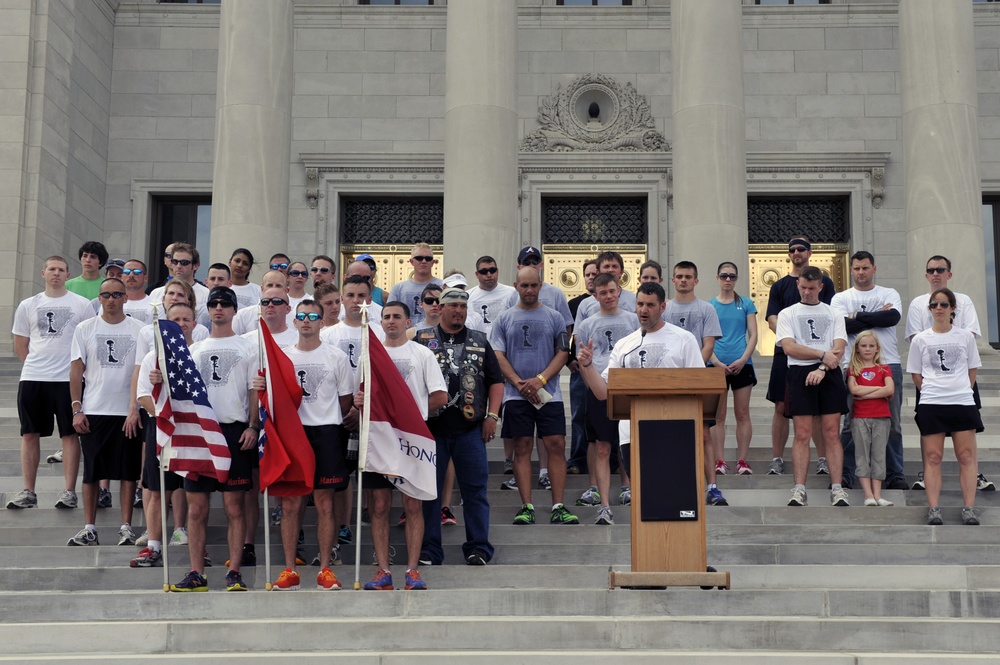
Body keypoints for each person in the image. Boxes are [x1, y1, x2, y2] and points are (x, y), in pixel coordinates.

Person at [256, 299, 354, 590]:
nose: (307, 320)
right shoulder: (281, 357)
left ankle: (325, 568)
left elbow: (345, 399)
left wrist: (327, 417)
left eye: (313, 316)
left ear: (322, 322)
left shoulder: (336, 357)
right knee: (290, 503)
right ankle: (289, 570)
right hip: (291, 434)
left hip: (326, 433)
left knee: (325, 502)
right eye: (302, 316)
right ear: (295, 321)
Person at [577, 282, 704, 483]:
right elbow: (603, 393)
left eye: (650, 305)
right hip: (632, 432)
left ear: (663, 307)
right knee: (642, 494)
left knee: (673, 492)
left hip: (674, 428)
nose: (643, 310)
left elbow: (701, 385)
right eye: (640, 304)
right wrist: (588, 365)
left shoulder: (684, 339)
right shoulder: (625, 344)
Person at [362, 302, 447, 591]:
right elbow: (361, 394)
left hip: (413, 438)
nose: (391, 321)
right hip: (381, 438)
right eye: (386, 317)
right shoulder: (370, 355)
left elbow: (440, 396)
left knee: (413, 505)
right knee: (381, 506)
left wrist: (409, 415)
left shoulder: (422, 353)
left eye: (397, 316)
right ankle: (383, 571)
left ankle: (412, 570)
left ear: (408, 321)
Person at [414, 287, 502, 565]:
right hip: (432, 429)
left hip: (470, 429)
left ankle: (478, 547)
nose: (458, 311)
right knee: (430, 492)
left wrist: (492, 416)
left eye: (463, 307)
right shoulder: (420, 339)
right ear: (440, 308)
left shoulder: (480, 340)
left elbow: (495, 381)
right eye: (453, 306)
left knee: (475, 491)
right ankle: (429, 549)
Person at [491, 267, 578, 526]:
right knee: (522, 447)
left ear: (541, 285)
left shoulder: (554, 317)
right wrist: (519, 384)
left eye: (533, 285)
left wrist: (540, 380)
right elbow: (497, 354)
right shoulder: (504, 318)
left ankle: (558, 506)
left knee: (556, 446)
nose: (529, 290)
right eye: (524, 285)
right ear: (516, 286)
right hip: (516, 396)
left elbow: (563, 352)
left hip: (548, 394)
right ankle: (526, 506)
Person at [6, 256, 93, 510]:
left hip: (68, 380)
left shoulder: (82, 304)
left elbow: (89, 342)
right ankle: (28, 492)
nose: (56, 273)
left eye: (61, 270)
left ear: (68, 275)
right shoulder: (28, 305)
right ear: (43, 273)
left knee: (70, 434)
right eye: (52, 269)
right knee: (30, 433)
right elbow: (21, 344)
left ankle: (69, 491)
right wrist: (38, 366)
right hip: (34, 378)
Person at [904, 255, 994, 493]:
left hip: (961, 376)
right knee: (929, 428)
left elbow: (970, 336)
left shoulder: (963, 301)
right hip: (930, 375)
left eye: (940, 269)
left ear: (949, 274)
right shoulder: (917, 303)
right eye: (931, 270)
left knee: (968, 429)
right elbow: (916, 339)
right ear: (926, 275)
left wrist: (961, 381)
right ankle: (927, 473)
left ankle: (974, 473)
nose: (935, 274)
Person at [67, 277, 145, 546]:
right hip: (95, 408)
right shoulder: (85, 328)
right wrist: (77, 407)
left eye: (117, 294)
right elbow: (76, 370)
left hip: (128, 411)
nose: (111, 299)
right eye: (106, 295)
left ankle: (126, 526)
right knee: (91, 471)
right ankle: (89, 527)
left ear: (126, 297)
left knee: (127, 472)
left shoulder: (140, 330)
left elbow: (141, 371)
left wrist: (134, 407)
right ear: (99, 299)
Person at [906, 288, 984, 526]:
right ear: (930, 310)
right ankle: (934, 508)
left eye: (943, 304)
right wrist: (933, 390)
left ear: (952, 309)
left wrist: (960, 389)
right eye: (933, 305)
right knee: (932, 457)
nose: (938, 309)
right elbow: (916, 375)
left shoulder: (965, 337)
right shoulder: (920, 339)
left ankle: (969, 508)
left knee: (966, 456)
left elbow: (972, 369)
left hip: (961, 402)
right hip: (932, 402)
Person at [831, 251, 907, 491]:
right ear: (851, 270)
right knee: (850, 422)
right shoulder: (840, 298)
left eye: (865, 268)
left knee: (892, 422)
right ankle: (846, 473)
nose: (861, 272)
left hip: (888, 363)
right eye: (856, 268)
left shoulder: (889, 293)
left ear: (874, 268)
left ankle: (894, 473)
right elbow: (842, 325)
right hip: (851, 365)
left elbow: (892, 317)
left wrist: (858, 317)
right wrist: (875, 316)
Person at [774, 266, 849, 508]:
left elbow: (839, 347)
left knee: (830, 433)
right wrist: (820, 354)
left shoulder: (833, 313)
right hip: (799, 373)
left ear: (820, 287)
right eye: (803, 288)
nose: (807, 292)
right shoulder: (787, 313)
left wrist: (822, 367)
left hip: (829, 373)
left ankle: (837, 489)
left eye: (811, 288)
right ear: (798, 286)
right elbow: (789, 347)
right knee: (802, 433)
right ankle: (799, 489)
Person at [320, 276, 386, 547]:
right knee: (341, 476)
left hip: (373, 415)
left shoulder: (380, 333)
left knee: (372, 475)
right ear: (341, 299)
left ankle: (371, 527)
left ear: (369, 299)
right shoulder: (327, 335)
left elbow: (385, 377)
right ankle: (342, 525)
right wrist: (347, 410)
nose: (356, 301)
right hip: (339, 415)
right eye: (350, 295)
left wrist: (364, 408)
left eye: (362, 295)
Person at [570, 273, 639, 525]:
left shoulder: (633, 320)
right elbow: (583, 358)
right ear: (595, 295)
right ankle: (604, 505)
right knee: (602, 446)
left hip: (628, 388)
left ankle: (628, 486)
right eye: (603, 293)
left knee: (627, 443)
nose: (608, 296)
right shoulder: (587, 323)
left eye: (612, 291)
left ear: (618, 290)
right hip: (599, 389)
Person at [765, 237, 836, 476]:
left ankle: (823, 459)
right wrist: (791, 340)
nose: (796, 252)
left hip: (819, 359)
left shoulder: (824, 282)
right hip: (785, 355)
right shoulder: (780, 285)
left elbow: (828, 315)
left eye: (801, 249)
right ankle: (777, 458)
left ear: (809, 253)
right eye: (792, 249)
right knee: (781, 406)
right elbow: (773, 318)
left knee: (816, 409)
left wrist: (811, 348)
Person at [664, 261, 727, 506]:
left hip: (696, 379)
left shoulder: (706, 309)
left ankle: (712, 486)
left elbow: (708, 344)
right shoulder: (665, 308)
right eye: (679, 276)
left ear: (696, 281)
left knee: (703, 434)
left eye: (688, 276)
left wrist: (691, 370)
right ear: (672, 280)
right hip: (668, 381)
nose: (683, 280)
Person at [708, 261, 758, 476]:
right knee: (718, 416)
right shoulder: (710, 306)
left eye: (732, 276)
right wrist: (716, 362)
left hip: (742, 365)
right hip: (716, 365)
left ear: (737, 279)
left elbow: (754, 335)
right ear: (717, 278)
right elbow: (705, 338)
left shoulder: (746, 304)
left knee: (742, 413)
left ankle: (742, 461)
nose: (728, 279)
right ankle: (720, 460)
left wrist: (743, 359)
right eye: (724, 275)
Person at [846, 331, 894, 507]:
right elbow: (854, 390)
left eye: (871, 346)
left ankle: (878, 494)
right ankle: (868, 495)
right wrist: (877, 390)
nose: (867, 349)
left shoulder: (884, 369)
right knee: (862, 455)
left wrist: (865, 394)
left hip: (881, 417)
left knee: (879, 455)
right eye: (863, 346)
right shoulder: (853, 369)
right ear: (857, 349)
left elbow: (889, 389)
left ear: (877, 349)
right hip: (860, 418)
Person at [566, 258, 599, 477]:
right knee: (579, 415)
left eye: (595, 274)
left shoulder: (614, 301)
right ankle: (577, 459)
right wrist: (569, 359)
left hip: (603, 369)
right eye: (587, 274)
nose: (591, 277)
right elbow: (567, 335)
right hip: (580, 369)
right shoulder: (575, 304)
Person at [149, 242, 210, 323]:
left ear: (195, 266)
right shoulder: (156, 293)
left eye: (184, 263)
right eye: (175, 262)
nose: (178, 266)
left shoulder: (206, 294)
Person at [389, 243, 442, 327]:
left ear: (433, 262)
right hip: (406, 336)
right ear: (411, 262)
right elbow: (390, 314)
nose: (424, 261)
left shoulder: (443, 287)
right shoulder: (398, 289)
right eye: (419, 258)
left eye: (428, 258)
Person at [467, 255, 516, 336]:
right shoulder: (468, 296)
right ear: (476, 274)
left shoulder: (512, 293)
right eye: (484, 271)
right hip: (478, 345)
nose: (489, 275)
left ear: (497, 272)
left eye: (492, 270)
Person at [121, 260, 154, 324]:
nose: (131, 275)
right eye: (127, 272)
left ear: (145, 278)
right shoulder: (112, 303)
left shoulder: (156, 305)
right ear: (121, 277)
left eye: (137, 272)